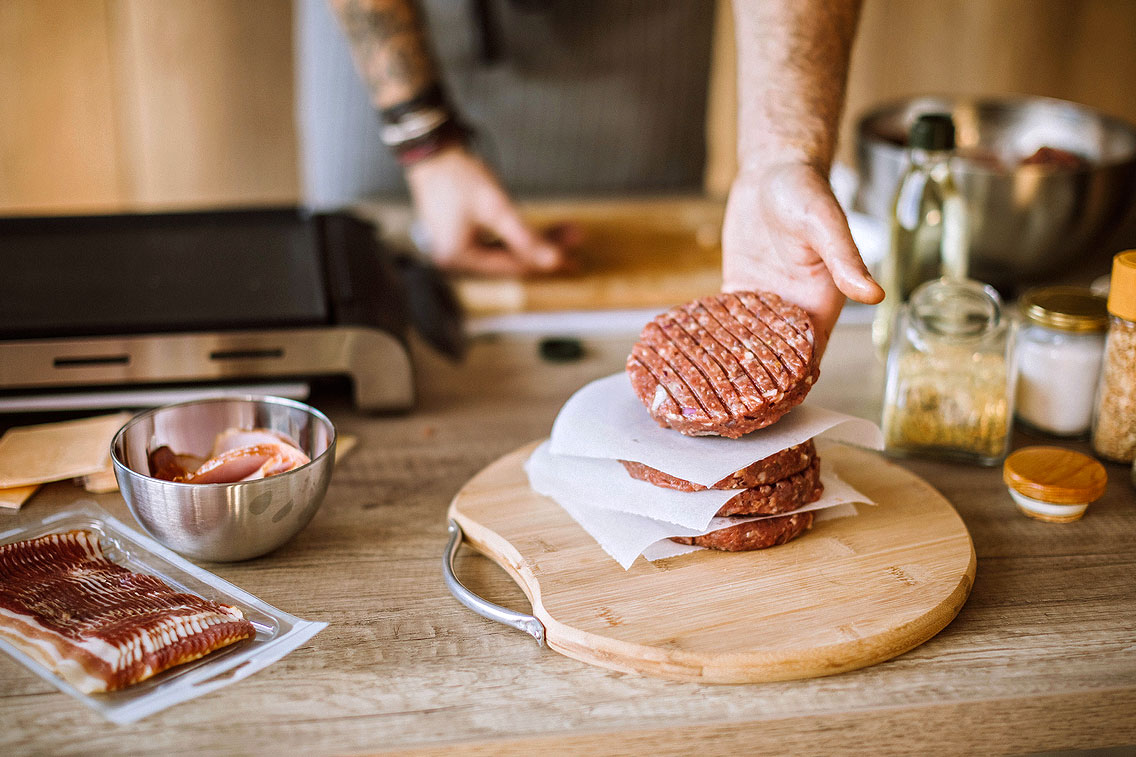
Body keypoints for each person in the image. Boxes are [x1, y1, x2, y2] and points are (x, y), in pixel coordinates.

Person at [317, 0, 883, 355]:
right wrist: (422, 138)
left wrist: (778, 153)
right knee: (359, 279)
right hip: (396, 25)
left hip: (630, 24)